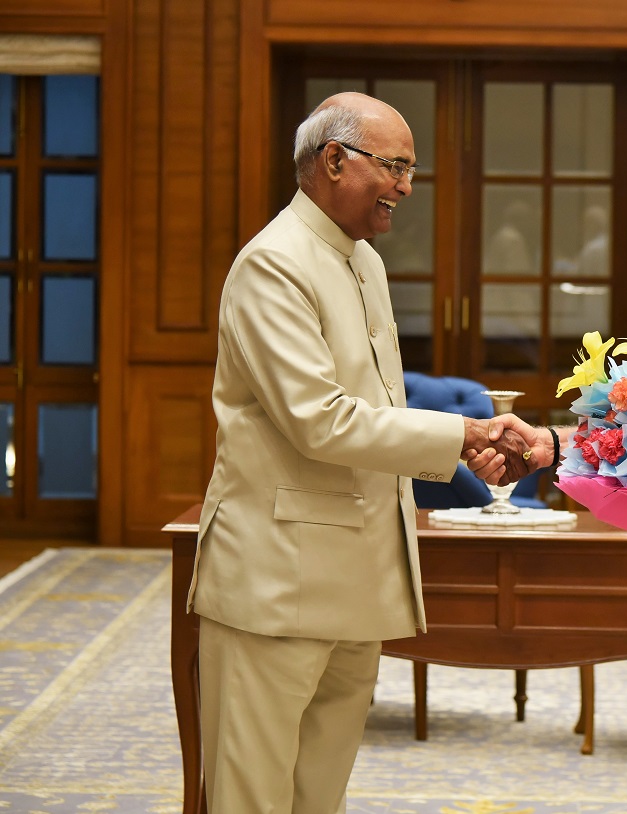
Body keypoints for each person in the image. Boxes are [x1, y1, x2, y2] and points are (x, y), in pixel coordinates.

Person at [187, 92, 533, 814]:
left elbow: (375, 409)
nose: (407, 187)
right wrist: (460, 436)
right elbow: (320, 421)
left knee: (320, 795)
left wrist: (457, 449)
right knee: (252, 796)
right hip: (275, 584)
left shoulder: (363, 263)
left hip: (360, 576)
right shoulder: (272, 266)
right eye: (396, 166)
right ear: (334, 159)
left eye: (411, 169)